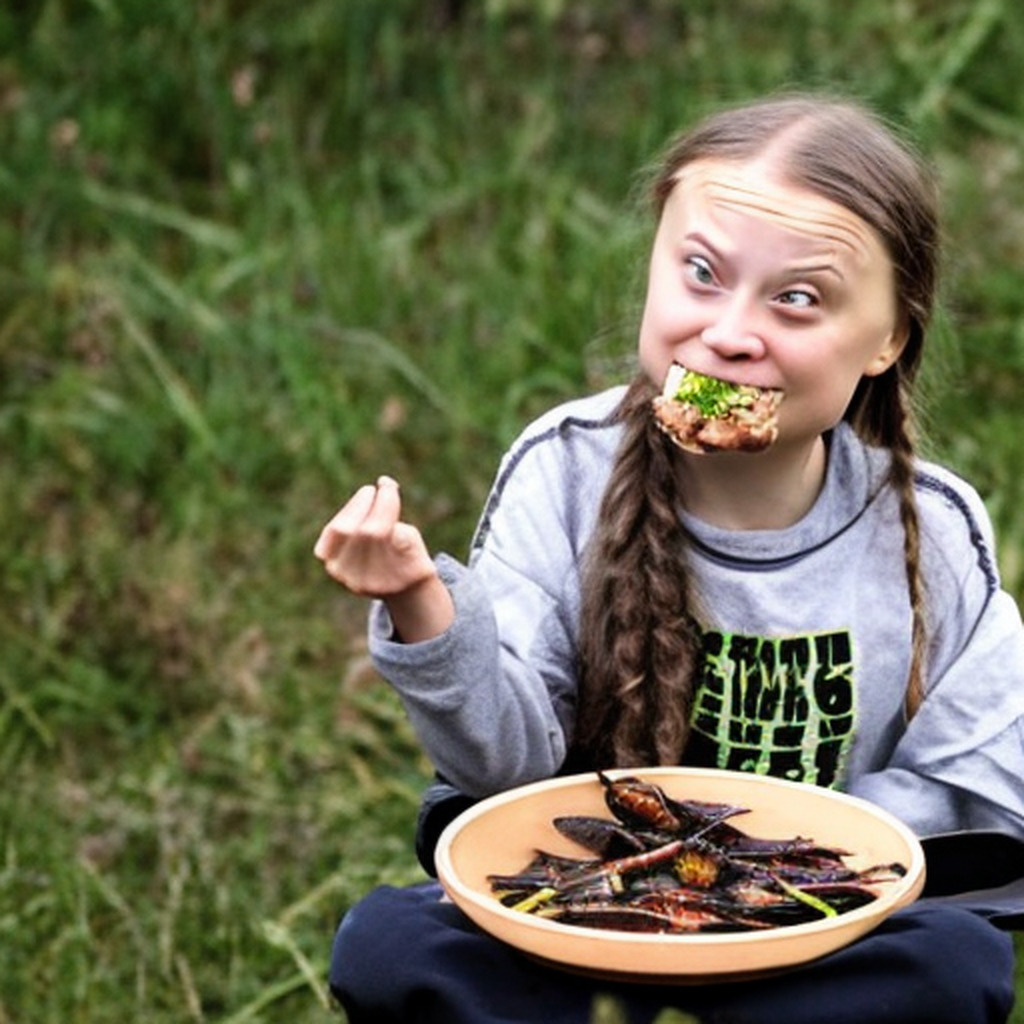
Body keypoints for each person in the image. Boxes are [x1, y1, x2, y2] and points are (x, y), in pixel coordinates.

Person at [314, 94, 1024, 1023]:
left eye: (798, 298)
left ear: (889, 338)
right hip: (584, 916)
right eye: (700, 273)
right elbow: (506, 772)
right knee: (390, 947)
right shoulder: (561, 472)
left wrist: (762, 869)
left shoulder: (931, 526)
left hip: (816, 928)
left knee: (954, 968)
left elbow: (984, 792)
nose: (730, 333)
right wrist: (421, 606)